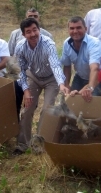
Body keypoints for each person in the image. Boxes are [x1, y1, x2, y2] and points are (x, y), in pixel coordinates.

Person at [13, 18, 69, 155]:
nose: (32, 34)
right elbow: (19, 70)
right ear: (23, 34)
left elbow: (55, 64)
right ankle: (23, 143)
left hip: (51, 79)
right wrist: (26, 90)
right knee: (27, 109)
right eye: (28, 32)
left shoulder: (48, 44)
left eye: (34, 30)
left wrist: (61, 84)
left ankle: (39, 144)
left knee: (46, 110)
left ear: (39, 30)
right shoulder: (20, 47)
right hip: (33, 77)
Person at [8, 8, 52, 121]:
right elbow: (11, 53)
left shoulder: (47, 35)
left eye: (35, 16)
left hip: (35, 74)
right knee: (15, 99)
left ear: (39, 18)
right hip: (19, 73)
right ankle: (15, 123)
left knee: (30, 103)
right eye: (30, 16)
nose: (32, 18)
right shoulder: (15, 34)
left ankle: (26, 122)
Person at [61, 16, 101, 102]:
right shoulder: (66, 43)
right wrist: (66, 85)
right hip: (80, 76)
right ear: (68, 30)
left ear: (85, 29)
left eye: (78, 28)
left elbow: (95, 68)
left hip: (98, 78)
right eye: (72, 28)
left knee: (89, 101)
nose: (75, 31)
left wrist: (90, 88)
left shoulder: (94, 43)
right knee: (69, 100)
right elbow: (66, 66)